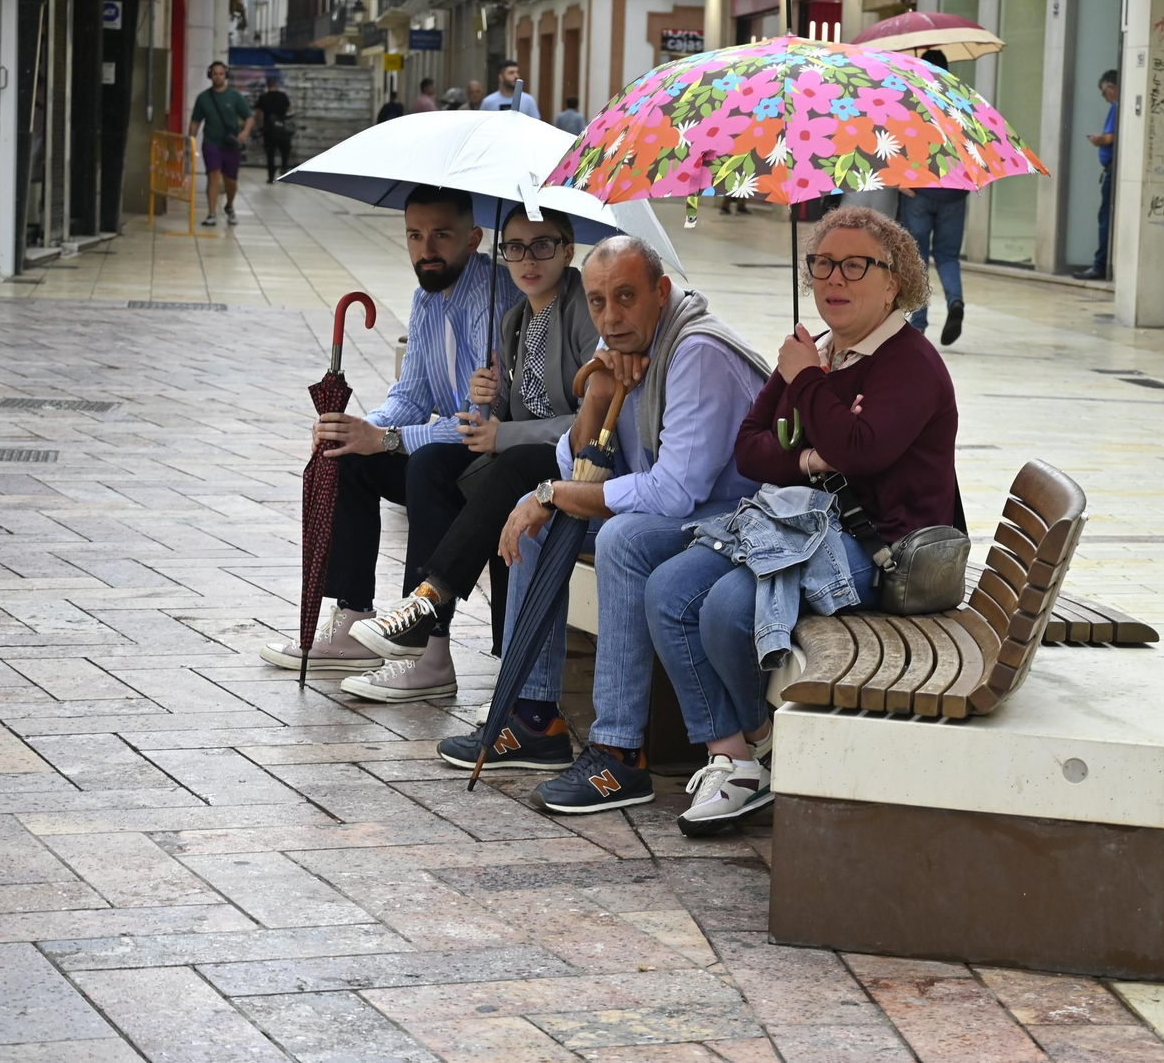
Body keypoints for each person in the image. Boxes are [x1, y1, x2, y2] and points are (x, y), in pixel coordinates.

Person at [646, 206, 958, 837]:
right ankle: (738, 752)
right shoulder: (813, 352)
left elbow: (863, 449)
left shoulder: (910, 363)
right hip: (796, 523)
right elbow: (752, 445)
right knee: (669, 591)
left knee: (728, 610)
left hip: (879, 548)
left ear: (893, 280)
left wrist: (810, 386)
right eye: (820, 264)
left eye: (853, 265)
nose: (831, 279)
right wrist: (813, 449)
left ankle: (755, 755)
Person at [435, 237, 770, 812]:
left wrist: (555, 493)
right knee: (538, 526)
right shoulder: (624, 345)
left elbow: (675, 491)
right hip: (682, 516)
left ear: (660, 294)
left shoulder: (697, 352)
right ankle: (533, 716)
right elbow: (578, 463)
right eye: (597, 302)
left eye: (625, 297)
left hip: (734, 522)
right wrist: (598, 393)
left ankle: (619, 754)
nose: (610, 317)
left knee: (621, 537)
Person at [258, 185, 517, 697]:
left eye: (441, 235)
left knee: (426, 465)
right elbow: (413, 393)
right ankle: (354, 618)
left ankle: (424, 648)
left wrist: (389, 439)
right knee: (349, 454)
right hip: (453, 452)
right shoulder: (426, 297)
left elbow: (475, 426)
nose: (426, 249)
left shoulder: (497, 297)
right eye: (415, 235)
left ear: (474, 238)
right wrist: (360, 429)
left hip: (497, 458)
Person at [349, 205, 598, 669]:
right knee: (429, 466)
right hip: (522, 456)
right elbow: (498, 411)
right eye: (515, 248)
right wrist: (489, 395)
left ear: (568, 251)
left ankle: (431, 602)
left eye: (542, 246)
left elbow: (590, 419)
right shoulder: (514, 321)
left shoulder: (584, 309)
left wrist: (503, 431)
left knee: (510, 471)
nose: (528, 260)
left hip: (577, 460)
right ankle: (411, 628)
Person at [898, 49, 967, 345]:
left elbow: (899, 140)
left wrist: (900, 179)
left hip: (919, 190)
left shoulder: (913, 101)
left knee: (918, 257)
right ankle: (955, 301)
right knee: (948, 255)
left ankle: (919, 321)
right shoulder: (961, 102)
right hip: (955, 191)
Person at [188, 61, 254, 227]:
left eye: (221, 74)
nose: (218, 77)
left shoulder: (234, 97)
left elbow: (249, 117)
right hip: (211, 142)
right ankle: (211, 213)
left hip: (230, 144)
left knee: (230, 180)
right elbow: (195, 122)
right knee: (213, 174)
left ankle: (229, 206)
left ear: (226, 76)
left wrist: (245, 132)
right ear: (210, 75)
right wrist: (191, 142)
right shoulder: (203, 98)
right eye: (215, 73)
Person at [1074, 69, 1118, 281]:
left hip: (1112, 170)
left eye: (1104, 92)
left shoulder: (1117, 106)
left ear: (1112, 88)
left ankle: (1100, 265)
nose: (1104, 97)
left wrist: (1097, 140)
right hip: (1110, 169)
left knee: (1105, 218)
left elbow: (1109, 138)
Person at [255, 74, 293, 184]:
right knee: (285, 151)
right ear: (276, 85)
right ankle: (284, 168)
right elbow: (289, 109)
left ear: (268, 85)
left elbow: (258, 114)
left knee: (270, 154)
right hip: (281, 129)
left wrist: (260, 127)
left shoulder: (263, 97)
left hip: (269, 130)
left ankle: (271, 176)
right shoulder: (283, 96)